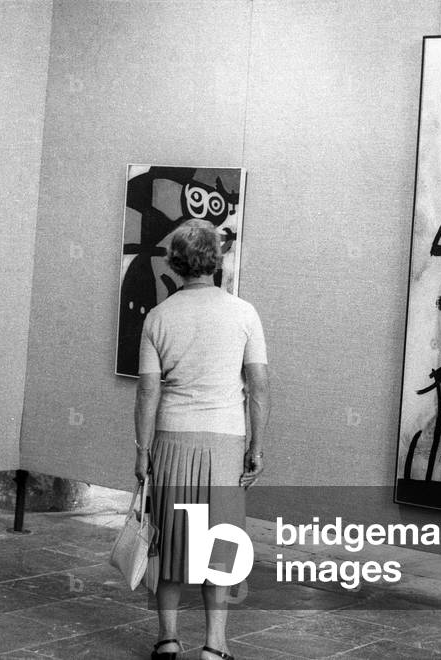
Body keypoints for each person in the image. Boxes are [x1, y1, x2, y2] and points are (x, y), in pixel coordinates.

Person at [134, 218, 271, 660]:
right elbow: (260, 386)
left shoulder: (159, 317)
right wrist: (256, 447)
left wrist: (142, 452)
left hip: (171, 441)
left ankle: (168, 640)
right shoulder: (244, 313)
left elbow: (148, 392)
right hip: (226, 442)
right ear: (217, 261)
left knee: (171, 541)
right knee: (222, 544)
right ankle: (215, 645)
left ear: (174, 263)